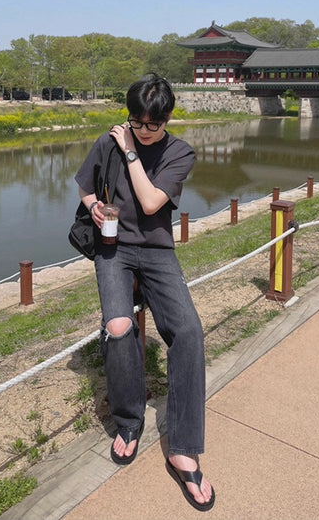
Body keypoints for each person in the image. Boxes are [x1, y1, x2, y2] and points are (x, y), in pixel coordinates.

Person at [74, 74, 215, 511]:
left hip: (156, 250)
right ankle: (129, 420)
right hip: (113, 249)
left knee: (188, 332)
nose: (143, 129)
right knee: (119, 327)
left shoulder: (178, 151)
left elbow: (152, 202)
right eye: (136, 122)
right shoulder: (108, 142)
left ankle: (183, 448)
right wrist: (95, 208)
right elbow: (83, 187)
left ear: (167, 119)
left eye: (153, 124)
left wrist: (132, 151)